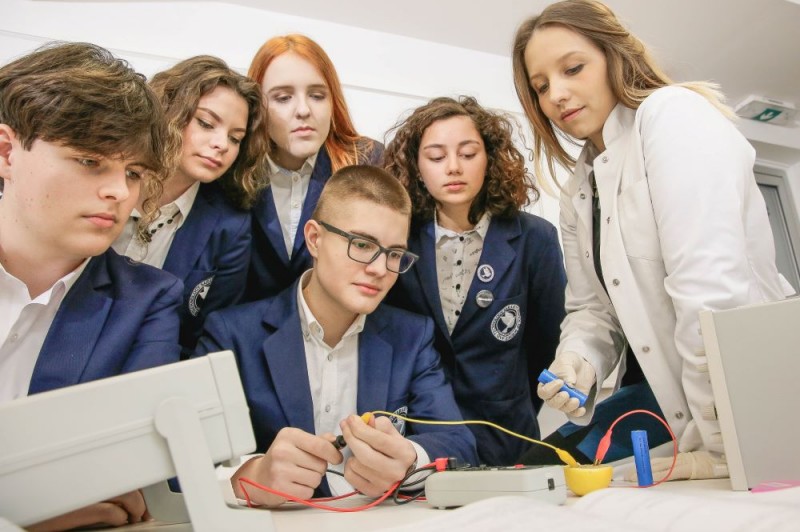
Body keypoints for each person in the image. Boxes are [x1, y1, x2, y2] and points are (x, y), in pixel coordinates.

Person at [511, 0, 793, 478]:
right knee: (535, 472)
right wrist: (578, 360)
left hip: (746, 395)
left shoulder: (672, 116)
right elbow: (592, 310)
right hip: (667, 391)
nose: (556, 93)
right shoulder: (579, 188)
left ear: (614, 56)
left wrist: (723, 442)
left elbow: (710, 293)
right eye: (541, 87)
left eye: (573, 68)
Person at [196, 165, 477, 506]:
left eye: (394, 254)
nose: (378, 269)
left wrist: (410, 459)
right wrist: (249, 477)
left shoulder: (411, 336)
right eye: (361, 244)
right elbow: (182, 464)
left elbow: (460, 444)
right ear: (314, 238)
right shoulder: (232, 335)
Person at [0, 42, 182, 529]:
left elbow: (122, 476)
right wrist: (28, 510)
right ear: (6, 152)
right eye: (90, 161)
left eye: (134, 173)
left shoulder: (147, 301)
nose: (120, 193)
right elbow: (71, 489)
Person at [383, 96, 567, 466]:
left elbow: (548, 342)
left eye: (467, 154)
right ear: (417, 167)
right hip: (424, 437)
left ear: (490, 159)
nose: (453, 167)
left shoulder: (535, 238)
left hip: (508, 435)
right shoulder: (397, 239)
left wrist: (509, 401)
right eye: (436, 157)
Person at [113, 56, 269, 357]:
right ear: (170, 112)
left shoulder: (231, 227)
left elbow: (205, 335)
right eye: (206, 123)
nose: (221, 144)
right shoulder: (108, 180)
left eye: (235, 138)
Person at [245, 34, 384, 300]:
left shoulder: (367, 161)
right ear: (257, 107)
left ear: (333, 102)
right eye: (283, 98)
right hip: (245, 331)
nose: (303, 110)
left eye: (317, 95)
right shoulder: (235, 166)